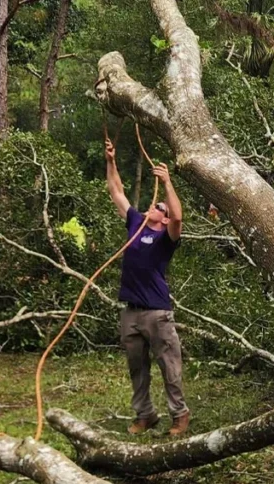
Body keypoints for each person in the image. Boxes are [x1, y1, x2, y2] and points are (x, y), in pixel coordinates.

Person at [105, 139, 190, 435]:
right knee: (137, 369)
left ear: (163, 218)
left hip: (157, 312)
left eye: (159, 207)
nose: (153, 207)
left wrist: (167, 183)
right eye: (156, 205)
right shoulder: (136, 223)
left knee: (169, 365)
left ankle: (179, 415)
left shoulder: (167, 237)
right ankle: (145, 415)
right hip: (131, 312)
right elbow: (116, 191)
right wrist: (112, 161)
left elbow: (178, 217)